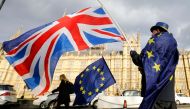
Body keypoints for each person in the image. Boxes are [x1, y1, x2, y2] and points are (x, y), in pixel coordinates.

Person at [130, 22, 179, 109]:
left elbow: (141, 60)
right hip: (170, 97)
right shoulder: (173, 47)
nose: (152, 34)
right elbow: (162, 69)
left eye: (153, 32)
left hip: (156, 96)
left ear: (158, 30)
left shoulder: (155, 43)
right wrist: (144, 71)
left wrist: (133, 54)